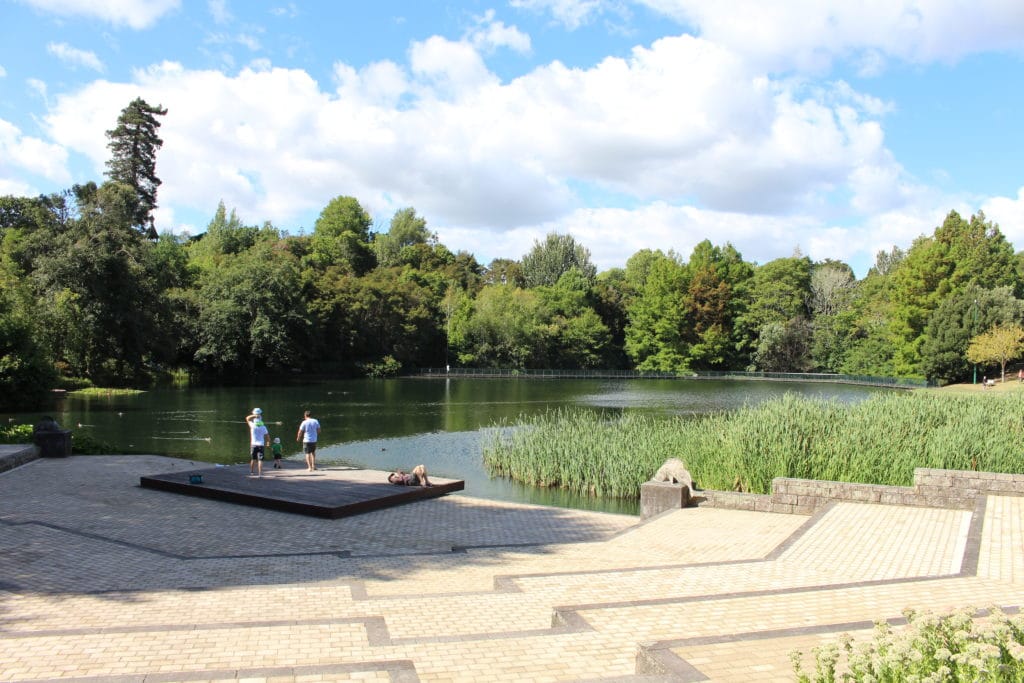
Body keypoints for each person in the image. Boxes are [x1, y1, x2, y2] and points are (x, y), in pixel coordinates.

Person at [246, 408, 270, 478]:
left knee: (253, 459)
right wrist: (268, 443)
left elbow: (247, 418)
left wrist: (254, 415)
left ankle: (252, 472)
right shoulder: (263, 427)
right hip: (261, 445)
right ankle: (260, 474)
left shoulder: (252, 425)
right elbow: (268, 437)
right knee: (260, 460)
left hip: (253, 445)